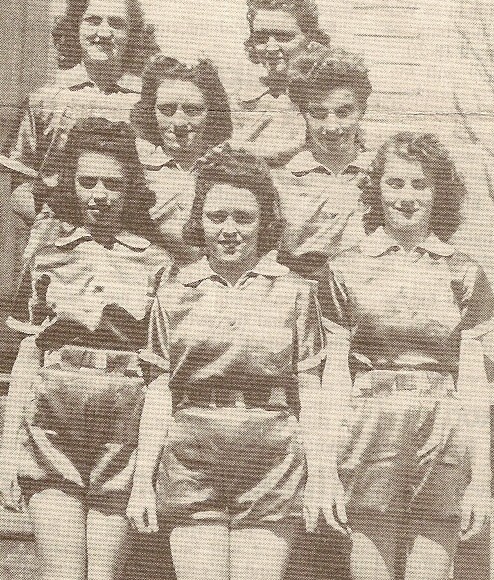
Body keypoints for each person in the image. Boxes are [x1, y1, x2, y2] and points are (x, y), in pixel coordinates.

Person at [126, 146, 325, 580]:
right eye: (217, 217)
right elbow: (160, 389)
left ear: (264, 221)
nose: (229, 230)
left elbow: (310, 391)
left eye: (243, 217)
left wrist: (323, 475)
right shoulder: (174, 290)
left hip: (272, 457)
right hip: (192, 456)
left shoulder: (296, 293)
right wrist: (143, 479)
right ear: (199, 220)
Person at [0, 118, 171, 580]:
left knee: (104, 575)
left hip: (122, 430)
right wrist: (7, 451)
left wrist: (145, 471)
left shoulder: (157, 262)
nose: (99, 194)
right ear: (71, 185)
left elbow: (159, 374)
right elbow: (27, 356)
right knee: (61, 573)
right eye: (87, 181)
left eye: (113, 183)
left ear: (130, 188)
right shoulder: (48, 250)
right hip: (52, 424)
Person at [319, 132, 493, 580]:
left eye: (420, 184)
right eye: (395, 183)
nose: (407, 197)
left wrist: (481, 481)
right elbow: (335, 374)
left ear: (440, 192)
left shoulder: (466, 272)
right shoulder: (344, 268)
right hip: (370, 423)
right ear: (377, 188)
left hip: (443, 426)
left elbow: (474, 384)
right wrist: (325, 466)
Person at [0, 0, 156, 235]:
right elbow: (20, 183)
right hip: (60, 243)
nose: (104, 33)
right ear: (75, 27)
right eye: (92, 21)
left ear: (132, 35)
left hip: (136, 244)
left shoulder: (149, 103)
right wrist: (64, 231)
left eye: (116, 24)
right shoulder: (44, 99)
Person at [274, 43, 374, 275]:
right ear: (303, 113)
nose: (332, 127)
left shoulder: (380, 174)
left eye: (343, 113)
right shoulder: (281, 178)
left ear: (362, 110)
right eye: (318, 114)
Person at [131, 53, 233, 261]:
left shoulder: (230, 169)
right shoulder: (134, 167)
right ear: (151, 112)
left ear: (212, 113)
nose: (178, 122)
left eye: (192, 110)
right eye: (166, 110)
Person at [232, 0, 330, 166]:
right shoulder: (239, 101)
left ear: (310, 40)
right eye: (261, 38)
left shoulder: (331, 99)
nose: (271, 48)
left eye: (284, 37)